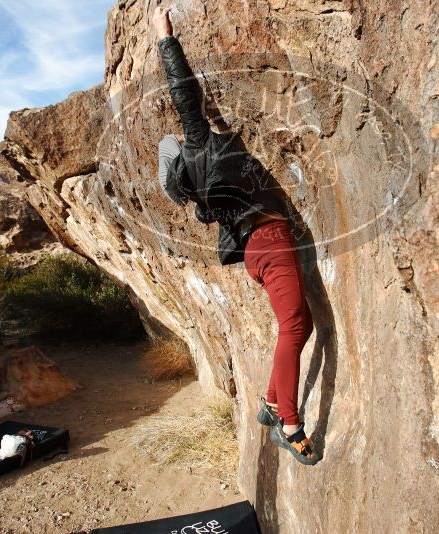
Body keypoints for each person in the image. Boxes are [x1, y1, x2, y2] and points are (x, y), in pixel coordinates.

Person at [151, 6, 320, 465]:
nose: (185, 136)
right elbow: (184, 94)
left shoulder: (198, 191)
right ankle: (288, 422)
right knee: (296, 326)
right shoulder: (201, 148)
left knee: (297, 324)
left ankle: (269, 401)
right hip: (270, 240)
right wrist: (166, 39)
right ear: (182, 151)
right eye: (181, 140)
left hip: (256, 248)